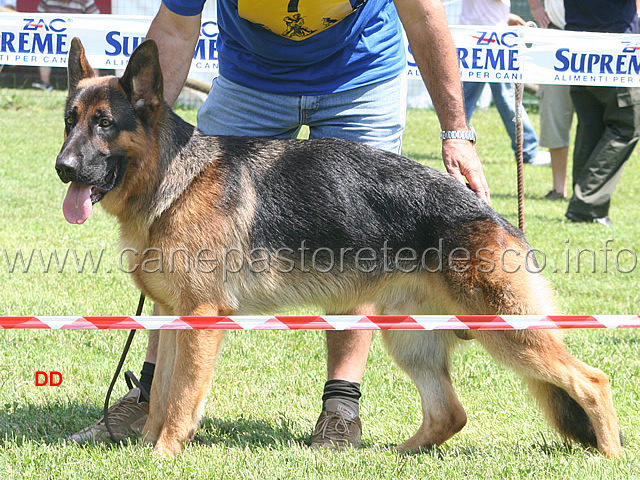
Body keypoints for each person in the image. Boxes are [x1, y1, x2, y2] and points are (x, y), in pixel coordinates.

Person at [71, 0, 490, 449]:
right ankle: (152, 398)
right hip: (251, 79)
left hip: (360, 71)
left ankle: (341, 406)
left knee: (361, 239)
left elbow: (424, 15)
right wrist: (142, 127)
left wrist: (456, 130)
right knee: (181, 248)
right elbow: (174, 27)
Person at [563, 0, 640, 226]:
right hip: (615, 51)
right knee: (626, 126)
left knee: (591, 127)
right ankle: (586, 204)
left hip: (577, 49)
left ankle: (584, 204)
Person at [459, 0, 550, 166]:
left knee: (465, 101)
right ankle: (528, 152)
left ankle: (457, 143)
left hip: (478, 37)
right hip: (489, 41)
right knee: (505, 99)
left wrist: (505, 16)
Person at [528, 0, 574, 200]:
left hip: (601, 37)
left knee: (597, 122)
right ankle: (559, 189)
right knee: (555, 115)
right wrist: (536, 7)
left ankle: (588, 192)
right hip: (556, 36)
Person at [33, 0, 100, 91]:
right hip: (54, 38)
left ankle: (95, 86)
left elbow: (97, 21)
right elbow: (39, 19)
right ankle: (44, 83)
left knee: (92, 52)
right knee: (43, 47)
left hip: (79, 38)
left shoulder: (86, 1)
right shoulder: (47, 1)